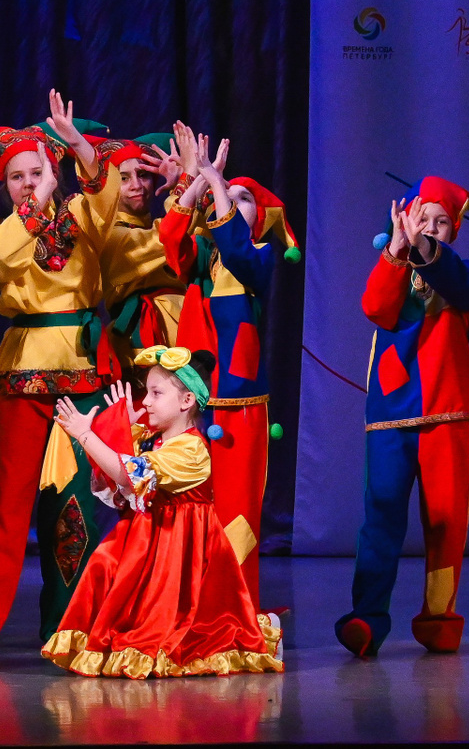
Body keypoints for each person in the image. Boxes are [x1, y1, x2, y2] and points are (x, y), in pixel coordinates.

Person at [0, 90, 122, 653]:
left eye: (36, 173)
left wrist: (76, 146)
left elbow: (105, 196)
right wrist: (36, 202)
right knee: (3, 498)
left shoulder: (84, 219)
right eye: (16, 176)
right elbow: (2, 260)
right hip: (24, 370)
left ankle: (70, 620)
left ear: (57, 173)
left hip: (82, 373)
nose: (26, 183)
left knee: (75, 503)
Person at [43, 346, 281, 679]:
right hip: (150, 539)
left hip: (180, 547)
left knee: (172, 623)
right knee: (105, 563)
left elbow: (127, 473)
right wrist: (122, 428)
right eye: (147, 393)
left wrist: (85, 433)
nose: (147, 402)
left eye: (157, 393)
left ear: (186, 401)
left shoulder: (191, 449)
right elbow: (121, 480)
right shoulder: (154, 440)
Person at [337, 177, 469, 658]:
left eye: (440, 223)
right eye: (422, 218)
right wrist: (398, 251)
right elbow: (375, 308)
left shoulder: (462, 273)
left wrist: (422, 247)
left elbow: (462, 287)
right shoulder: (392, 267)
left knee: (446, 523)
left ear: (453, 232)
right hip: (390, 415)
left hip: (447, 412)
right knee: (380, 518)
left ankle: (439, 620)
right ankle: (366, 617)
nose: (430, 228)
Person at [157, 125, 301, 604]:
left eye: (243, 199)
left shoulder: (258, 255)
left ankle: (236, 607)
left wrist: (217, 182)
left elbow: (238, 249)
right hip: (194, 404)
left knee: (237, 513)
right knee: (190, 507)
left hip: (239, 406)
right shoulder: (200, 258)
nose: (231, 200)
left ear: (259, 218)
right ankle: (189, 603)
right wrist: (198, 180)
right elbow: (170, 237)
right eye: (226, 194)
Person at [98, 135, 188, 368]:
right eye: (123, 178)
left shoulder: (156, 224)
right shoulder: (108, 234)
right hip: (137, 338)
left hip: (186, 326)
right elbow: (165, 238)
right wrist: (183, 188)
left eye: (143, 175)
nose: (136, 185)